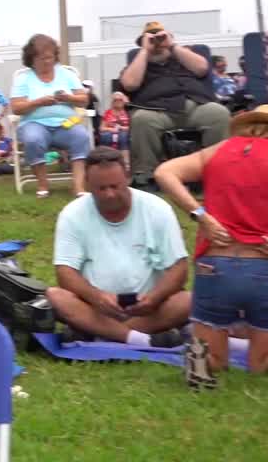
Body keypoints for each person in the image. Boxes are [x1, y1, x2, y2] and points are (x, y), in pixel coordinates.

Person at [154, 104, 268, 391]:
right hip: (267, 267)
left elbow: (164, 172)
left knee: (217, 357)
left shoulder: (217, 151)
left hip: (215, 265)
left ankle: (201, 357)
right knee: (263, 361)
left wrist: (201, 215)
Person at [44, 147, 192, 349]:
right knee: (56, 296)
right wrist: (97, 298)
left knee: (187, 301)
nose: (110, 194)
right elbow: (64, 272)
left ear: (128, 178)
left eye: (115, 186)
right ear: (87, 185)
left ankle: (103, 334)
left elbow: (180, 268)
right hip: (95, 307)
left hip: (149, 308)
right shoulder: (72, 214)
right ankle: (141, 339)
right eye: (101, 189)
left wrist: (154, 298)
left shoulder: (157, 209)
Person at [120, 21, 231, 186]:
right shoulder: (139, 63)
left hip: (196, 106)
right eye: (151, 39)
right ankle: (146, 177)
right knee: (141, 120)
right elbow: (129, 84)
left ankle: (216, 172)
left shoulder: (183, 57)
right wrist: (144, 51)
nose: (157, 43)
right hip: (158, 110)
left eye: (161, 37)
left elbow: (202, 68)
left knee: (219, 114)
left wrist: (171, 46)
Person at [9, 33, 92, 198]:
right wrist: (38, 102)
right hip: (35, 123)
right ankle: (43, 184)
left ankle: (78, 187)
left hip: (66, 124)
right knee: (33, 139)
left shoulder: (67, 74)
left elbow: (84, 100)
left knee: (81, 136)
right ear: (31, 59)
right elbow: (16, 108)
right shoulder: (24, 79)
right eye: (42, 59)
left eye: (51, 57)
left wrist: (68, 98)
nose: (48, 62)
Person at [99, 92, 132, 166]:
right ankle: (106, 160)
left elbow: (133, 127)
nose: (118, 102)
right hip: (111, 132)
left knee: (123, 136)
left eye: (120, 100)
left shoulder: (128, 113)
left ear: (124, 101)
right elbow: (101, 128)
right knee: (106, 136)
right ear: (112, 102)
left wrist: (121, 128)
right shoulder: (107, 113)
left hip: (124, 132)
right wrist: (111, 130)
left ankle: (126, 162)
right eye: (115, 100)